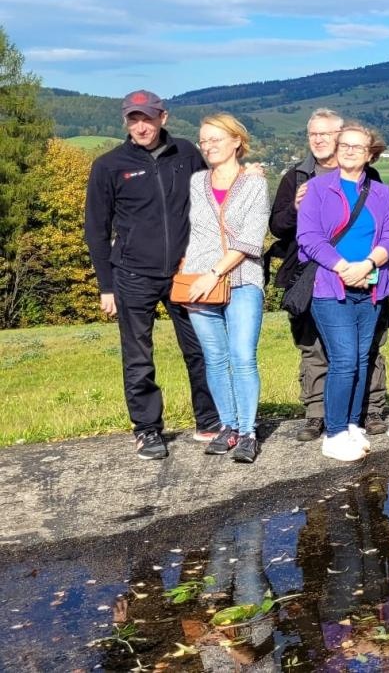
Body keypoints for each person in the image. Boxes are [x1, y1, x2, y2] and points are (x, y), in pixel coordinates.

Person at [85, 90, 221, 460]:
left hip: (184, 272)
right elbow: (96, 229)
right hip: (131, 274)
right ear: (126, 121)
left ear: (163, 117)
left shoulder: (187, 153)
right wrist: (106, 285)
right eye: (134, 119)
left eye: (147, 118)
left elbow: (211, 200)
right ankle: (147, 430)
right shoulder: (109, 165)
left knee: (200, 349)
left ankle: (209, 421)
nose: (141, 126)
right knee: (138, 356)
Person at [269, 108, 389, 442]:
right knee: (314, 349)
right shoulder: (296, 177)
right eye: (313, 134)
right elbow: (278, 227)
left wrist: (370, 262)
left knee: (366, 349)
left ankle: (369, 409)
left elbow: (384, 226)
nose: (319, 139)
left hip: (366, 277)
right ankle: (317, 414)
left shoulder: (372, 179)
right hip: (311, 274)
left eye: (326, 134)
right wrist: (295, 207)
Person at [297, 123, 389, 463]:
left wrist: (368, 264)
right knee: (342, 359)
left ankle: (354, 425)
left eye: (358, 146)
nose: (350, 150)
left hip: (370, 287)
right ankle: (335, 432)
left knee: (359, 358)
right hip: (329, 287)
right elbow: (309, 238)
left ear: (371, 153)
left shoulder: (381, 192)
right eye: (344, 145)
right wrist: (345, 267)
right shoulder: (316, 188)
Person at [178, 113, 270, 463]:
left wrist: (213, 273)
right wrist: (190, 271)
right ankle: (228, 427)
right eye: (204, 140)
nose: (209, 145)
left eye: (216, 138)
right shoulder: (196, 182)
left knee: (242, 356)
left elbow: (250, 240)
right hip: (198, 283)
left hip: (242, 278)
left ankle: (247, 431)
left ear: (236, 141)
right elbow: (193, 232)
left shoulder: (254, 183)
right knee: (214, 359)